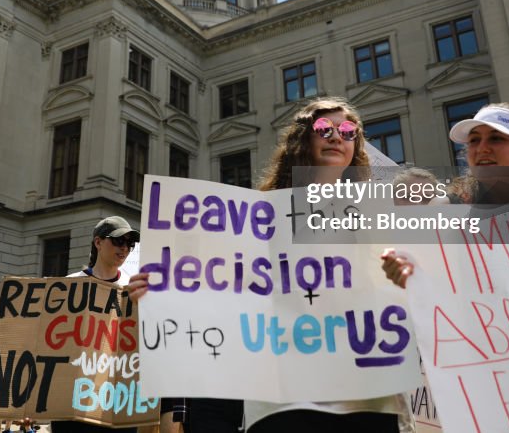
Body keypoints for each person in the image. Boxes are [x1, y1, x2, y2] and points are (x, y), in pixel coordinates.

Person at [129, 97, 408, 432]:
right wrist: (162, 294)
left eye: (348, 130)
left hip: (365, 400)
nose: (337, 136)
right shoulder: (252, 220)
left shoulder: (380, 220)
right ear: (303, 139)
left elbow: (410, 298)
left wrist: (407, 277)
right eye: (324, 128)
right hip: (285, 405)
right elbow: (223, 304)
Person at [382, 102, 509, 287]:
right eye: (474, 140)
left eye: (496, 138)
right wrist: (404, 273)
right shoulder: (446, 210)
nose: (482, 148)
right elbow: (429, 282)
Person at [50, 216, 140, 433]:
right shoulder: (71, 284)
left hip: (118, 400)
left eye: (130, 243)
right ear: (98, 242)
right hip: (73, 403)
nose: (125, 248)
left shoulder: (133, 289)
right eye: (118, 241)